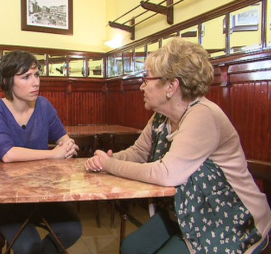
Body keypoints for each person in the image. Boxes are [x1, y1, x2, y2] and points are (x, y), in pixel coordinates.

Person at [85, 38, 271, 254]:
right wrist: (108, 160)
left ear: (171, 86)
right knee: (131, 248)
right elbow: (138, 152)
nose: (142, 85)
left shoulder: (203, 115)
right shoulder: (160, 117)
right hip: (187, 211)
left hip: (229, 220)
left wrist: (110, 165)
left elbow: (166, 174)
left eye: (147, 78)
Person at [0, 51, 82, 254]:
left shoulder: (43, 105)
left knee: (73, 229)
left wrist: (69, 145)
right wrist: (54, 154)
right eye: (26, 76)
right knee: (29, 246)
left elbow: (64, 138)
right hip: (3, 197)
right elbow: (8, 154)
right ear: (8, 81)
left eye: (37, 75)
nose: (35, 82)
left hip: (39, 192)